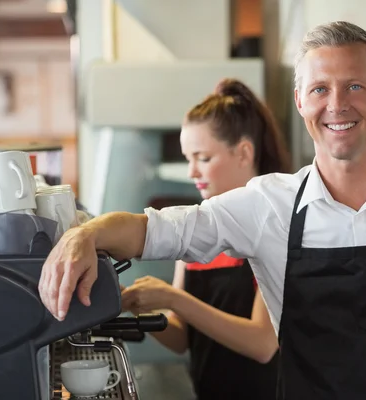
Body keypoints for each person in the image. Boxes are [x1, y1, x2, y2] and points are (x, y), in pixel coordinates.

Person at [39, 21, 366, 400]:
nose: (337, 105)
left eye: (354, 86)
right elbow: (158, 231)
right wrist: (85, 236)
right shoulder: (268, 206)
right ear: (302, 101)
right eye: (320, 89)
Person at [121, 78, 288, 400]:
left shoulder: (274, 225)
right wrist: (133, 303)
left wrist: (173, 298)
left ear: (244, 152)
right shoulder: (195, 233)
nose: (191, 172)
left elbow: (263, 345)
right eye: (188, 158)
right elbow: (183, 337)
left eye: (203, 158)